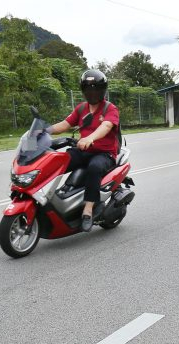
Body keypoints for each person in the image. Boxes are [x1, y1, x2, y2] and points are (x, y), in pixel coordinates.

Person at [45, 69, 120, 231]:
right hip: (83, 150)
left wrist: (90, 138)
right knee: (58, 160)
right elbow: (65, 124)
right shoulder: (81, 108)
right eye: (88, 89)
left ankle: (88, 210)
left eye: (95, 89)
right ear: (83, 90)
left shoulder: (110, 109)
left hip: (104, 153)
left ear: (102, 90)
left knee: (94, 167)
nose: (92, 92)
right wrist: (44, 131)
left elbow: (106, 126)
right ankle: (47, 196)